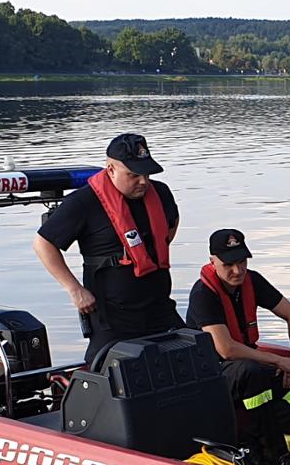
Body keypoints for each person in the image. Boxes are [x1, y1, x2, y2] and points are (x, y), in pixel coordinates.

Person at [186, 228, 290, 465]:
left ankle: (254, 436)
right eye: (228, 264)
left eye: (242, 262)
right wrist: (277, 360)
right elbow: (226, 349)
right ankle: (277, 455)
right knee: (251, 373)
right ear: (212, 262)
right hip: (215, 374)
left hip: (249, 365)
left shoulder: (253, 281)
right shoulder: (203, 294)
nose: (237, 271)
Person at [33, 133, 186, 364]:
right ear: (111, 169)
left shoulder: (161, 192)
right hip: (112, 316)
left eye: (146, 173)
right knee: (108, 374)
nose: (143, 181)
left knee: (193, 356)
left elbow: (172, 223)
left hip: (159, 307)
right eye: (133, 175)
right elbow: (43, 244)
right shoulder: (83, 202)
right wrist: (74, 289)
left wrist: (150, 251)